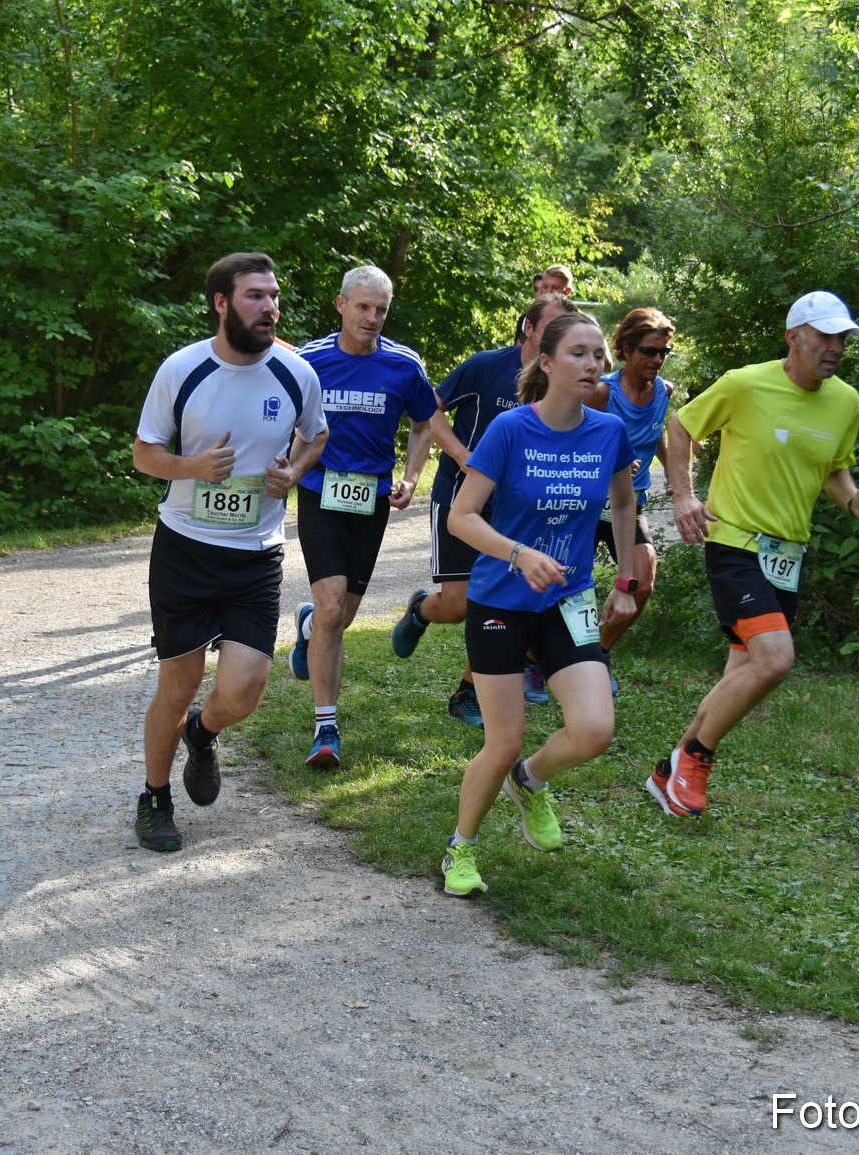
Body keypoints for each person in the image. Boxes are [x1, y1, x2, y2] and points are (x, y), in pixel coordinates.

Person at [653, 291, 859, 817]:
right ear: (794, 336)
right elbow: (681, 426)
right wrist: (686, 496)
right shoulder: (744, 383)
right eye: (825, 336)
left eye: (841, 339)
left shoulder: (844, 401)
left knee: (742, 673)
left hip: (788, 553)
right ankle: (695, 760)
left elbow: (833, 469)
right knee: (776, 659)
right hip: (735, 541)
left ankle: (666, 772)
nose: (835, 348)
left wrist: (853, 499)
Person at [130, 252, 329, 852]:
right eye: (254, 296)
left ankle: (203, 731)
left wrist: (292, 471)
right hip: (185, 548)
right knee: (180, 679)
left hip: (256, 553)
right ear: (221, 303)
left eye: (273, 296)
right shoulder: (182, 369)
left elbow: (316, 435)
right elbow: (144, 454)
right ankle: (155, 798)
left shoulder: (296, 374)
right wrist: (192, 467)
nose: (269, 307)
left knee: (243, 689)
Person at [438, 313, 640, 896]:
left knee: (596, 729)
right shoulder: (509, 429)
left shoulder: (607, 433)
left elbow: (623, 505)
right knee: (502, 741)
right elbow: (462, 516)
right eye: (579, 353)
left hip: (567, 599)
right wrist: (518, 553)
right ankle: (462, 848)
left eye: (599, 354)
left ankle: (530, 782)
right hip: (500, 597)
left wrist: (625, 579)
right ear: (546, 364)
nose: (593, 364)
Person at [389, 294, 580, 722]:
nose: (557, 338)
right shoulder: (486, 366)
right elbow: (429, 410)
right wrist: (461, 456)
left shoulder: (561, 380)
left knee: (503, 600)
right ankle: (422, 609)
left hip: (519, 511)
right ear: (529, 329)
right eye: (550, 328)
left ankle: (466, 694)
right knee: (457, 606)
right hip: (463, 500)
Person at [288, 267, 437, 768]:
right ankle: (325, 729)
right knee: (332, 608)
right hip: (319, 489)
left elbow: (424, 424)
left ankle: (309, 629)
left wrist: (412, 478)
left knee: (340, 617)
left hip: (370, 500)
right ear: (341, 305)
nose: (372, 318)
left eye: (381, 310)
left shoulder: (403, 365)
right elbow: (281, 416)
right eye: (363, 307)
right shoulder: (310, 361)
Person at [586, 307, 676, 689]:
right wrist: (612, 468)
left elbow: (655, 434)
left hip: (630, 503)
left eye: (663, 352)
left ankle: (598, 656)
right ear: (625, 349)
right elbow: (578, 442)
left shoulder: (665, 391)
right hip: (588, 503)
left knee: (642, 580)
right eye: (649, 351)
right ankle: (533, 660)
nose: (657, 359)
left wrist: (674, 474)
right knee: (562, 584)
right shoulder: (603, 391)